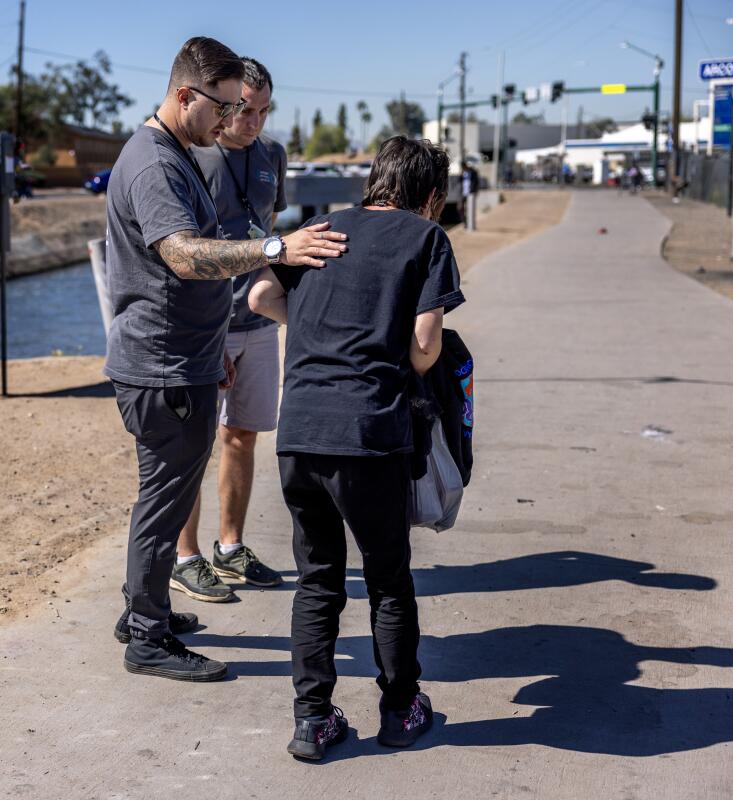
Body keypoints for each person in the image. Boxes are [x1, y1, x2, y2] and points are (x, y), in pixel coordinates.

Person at [104, 36, 348, 682]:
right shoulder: (156, 164)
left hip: (185, 357)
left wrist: (215, 348)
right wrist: (275, 250)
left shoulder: (176, 151)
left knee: (162, 493)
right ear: (186, 95)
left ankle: (142, 610)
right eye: (222, 105)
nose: (228, 118)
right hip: (161, 365)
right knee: (163, 500)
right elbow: (184, 255)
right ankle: (148, 638)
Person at [249, 136, 465, 758]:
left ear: (376, 180)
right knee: (388, 580)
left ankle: (312, 721)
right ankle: (400, 711)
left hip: (301, 434)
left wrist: (323, 330)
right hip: (368, 434)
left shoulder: (320, 230)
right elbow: (424, 350)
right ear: (431, 195)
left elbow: (262, 296)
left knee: (317, 582)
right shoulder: (427, 240)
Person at [169, 56, 287, 604]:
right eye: (245, 110)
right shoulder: (193, 155)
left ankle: (230, 546)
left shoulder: (273, 156)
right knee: (193, 443)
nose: (255, 122)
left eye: (264, 111)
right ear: (225, 103)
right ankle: (185, 555)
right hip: (207, 323)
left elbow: (270, 227)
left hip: (257, 320)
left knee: (243, 435)